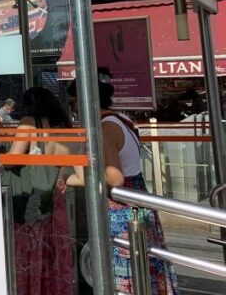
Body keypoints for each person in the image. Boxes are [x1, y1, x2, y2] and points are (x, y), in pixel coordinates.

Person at [67, 82, 179, 294]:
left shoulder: (105, 128)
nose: (73, 108)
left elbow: (115, 177)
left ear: (84, 100)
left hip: (121, 208)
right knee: (144, 265)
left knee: (125, 270)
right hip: (137, 200)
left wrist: (76, 168)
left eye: (73, 102)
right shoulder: (123, 119)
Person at [6, 87, 76, 295]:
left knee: (32, 252)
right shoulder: (62, 125)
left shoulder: (29, 122)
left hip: (34, 198)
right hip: (58, 194)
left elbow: (14, 157)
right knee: (55, 251)